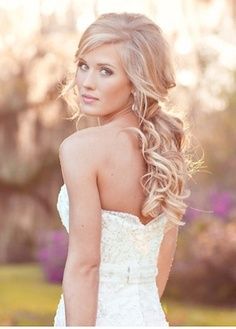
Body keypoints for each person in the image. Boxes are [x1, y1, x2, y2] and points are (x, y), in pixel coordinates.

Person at [53, 12, 199, 326]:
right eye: (83, 65)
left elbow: (85, 266)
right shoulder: (165, 149)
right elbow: (162, 256)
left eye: (106, 71)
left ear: (136, 81)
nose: (86, 83)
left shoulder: (81, 149)